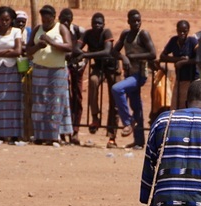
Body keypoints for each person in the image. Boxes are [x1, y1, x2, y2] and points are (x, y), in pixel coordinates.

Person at [26, 4, 73, 146]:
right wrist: (37, 47)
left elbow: (69, 47)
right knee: (40, 102)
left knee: (55, 104)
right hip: (39, 69)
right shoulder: (36, 30)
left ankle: (54, 136)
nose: (45, 22)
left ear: (54, 18)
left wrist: (51, 42)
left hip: (57, 71)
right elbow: (28, 50)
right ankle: (40, 136)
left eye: (48, 20)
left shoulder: (61, 28)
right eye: (43, 20)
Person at [112, 9, 157, 150]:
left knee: (117, 89)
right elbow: (113, 51)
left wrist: (132, 57)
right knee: (136, 106)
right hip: (129, 74)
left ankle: (128, 121)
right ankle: (139, 141)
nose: (136, 23)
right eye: (133, 21)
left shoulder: (143, 34)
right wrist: (123, 57)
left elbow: (153, 53)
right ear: (128, 21)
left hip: (139, 74)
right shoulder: (126, 34)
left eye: (139, 20)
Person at [78, 12, 121, 148]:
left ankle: (112, 135)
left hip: (112, 67)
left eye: (99, 23)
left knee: (115, 98)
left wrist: (85, 54)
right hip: (98, 67)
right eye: (94, 23)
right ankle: (95, 117)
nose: (97, 25)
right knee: (93, 81)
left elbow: (107, 51)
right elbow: (77, 47)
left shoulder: (107, 33)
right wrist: (77, 52)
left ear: (104, 24)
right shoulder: (87, 34)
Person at [0, 7, 24, 143]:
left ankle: (14, 134)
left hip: (11, 71)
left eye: (7, 20)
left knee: (13, 102)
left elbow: (18, 51)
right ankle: (1, 134)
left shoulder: (16, 32)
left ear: (11, 20)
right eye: (1, 19)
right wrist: (8, 50)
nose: (4, 22)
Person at [159, 20, 198, 111]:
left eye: (185, 31)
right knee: (175, 105)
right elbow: (162, 56)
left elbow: (199, 58)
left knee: (185, 106)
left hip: (191, 79)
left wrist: (185, 62)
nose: (182, 33)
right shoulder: (173, 41)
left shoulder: (192, 41)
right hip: (179, 78)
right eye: (180, 31)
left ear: (188, 31)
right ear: (177, 30)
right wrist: (178, 59)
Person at [60, 8, 85, 145]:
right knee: (63, 99)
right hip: (61, 67)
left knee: (77, 98)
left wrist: (79, 54)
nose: (65, 20)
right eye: (63, 18)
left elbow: (81, 47)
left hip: (77, 67)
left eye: (68, 18)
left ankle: (75, 131)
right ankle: (63, 131)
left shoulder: (78, 30)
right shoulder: (57, 30)